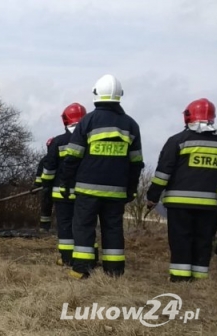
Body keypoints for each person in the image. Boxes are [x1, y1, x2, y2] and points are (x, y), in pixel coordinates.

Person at [60, 74, 144, 279]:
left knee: (83, 227)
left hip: (87, 189)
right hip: (116, 191)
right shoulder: (131, 125)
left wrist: (66, 183)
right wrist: (131, 188)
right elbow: (136, 163)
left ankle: (81, 269)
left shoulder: (88, 121)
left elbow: (72, 156)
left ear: (96, 93)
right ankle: (114, 271)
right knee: (113, 228)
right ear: (119, 96)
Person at [146, 98, 217, 282]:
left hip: (180, 204)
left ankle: (180, 278)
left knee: (181, 240)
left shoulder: (177, 141)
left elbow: (163, 173)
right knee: (204, 241)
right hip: (211, 204)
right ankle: (200, 278)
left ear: (188, 116)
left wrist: (153, 196)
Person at [41, 103, 87, 266]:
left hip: (62, 193)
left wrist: (44, 182)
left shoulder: (58, 142)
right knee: (84, 226)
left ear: (65, 120)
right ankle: (88, 256)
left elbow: (49, 168)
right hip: (84, 193)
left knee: (65, 226)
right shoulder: (89, 141)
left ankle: (67, 258)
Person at [35, 140, 54, 233]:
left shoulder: (58, 158)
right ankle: (44, 227)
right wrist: (36, 185)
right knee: (46, 208)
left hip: (56, 188)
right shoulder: (44, 160)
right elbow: (39, 175)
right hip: (47, 189)